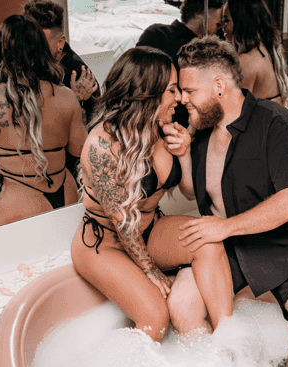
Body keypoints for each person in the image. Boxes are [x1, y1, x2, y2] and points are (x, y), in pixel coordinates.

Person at [174, 36, 288, 367]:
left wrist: (225, 227)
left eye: (188, 90)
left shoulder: (277, 124)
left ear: (218, 86)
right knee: (182, 304)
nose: (181, 98)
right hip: (227, 249)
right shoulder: (199, 131)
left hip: (286, 245)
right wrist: (185, 154)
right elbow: (192, 190)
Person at [71, 47, 233, 342]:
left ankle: (229, 336)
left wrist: (184, 154)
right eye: (173, 90)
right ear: (149, 92)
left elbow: (188, 192)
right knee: (155, 318)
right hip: (104, 244)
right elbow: (123, 224)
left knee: (208, 240)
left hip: (149, 230)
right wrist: (152, 271)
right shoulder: (101, 146)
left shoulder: (164, 128)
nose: (180, 98)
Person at [0, 15, 87, 237]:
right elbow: (79, 151)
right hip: (66, 195)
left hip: (24, 202)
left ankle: (9, 260)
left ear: (0, 50)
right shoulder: (66, 95)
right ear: (41, 50)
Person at [136, 0, 225, 126]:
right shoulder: (203, 51)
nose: (220, 28)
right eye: (218, 23)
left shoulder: (154, 33)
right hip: (182, 121)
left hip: (146, 115)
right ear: (205, 19)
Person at [24, 0, 99, 126]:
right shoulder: (27, 62)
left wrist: (75, 102)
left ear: (60, 43)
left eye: (41, 43)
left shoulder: (80, 77)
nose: (32, 48)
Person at [220, 0, 288, 106]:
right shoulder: (266, 49)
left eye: (226, 20)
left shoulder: (246, 61)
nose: (222, 25)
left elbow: (234, 110)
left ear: (241, 23)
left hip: (263, 121)